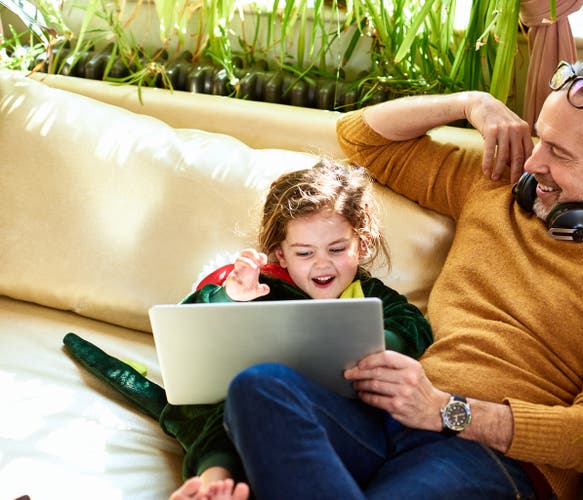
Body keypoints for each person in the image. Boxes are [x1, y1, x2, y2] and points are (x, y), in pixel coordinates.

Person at [219, 60, 583, 499]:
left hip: (485, 452)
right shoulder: (494, 183)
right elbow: (360, 136)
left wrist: (447, 411)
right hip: (384, 415)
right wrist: (469, 103)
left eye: (558, 152)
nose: (534, 164)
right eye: (539, 139)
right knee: (258, 387)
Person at [63, 159, 432, 500]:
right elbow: (190, 330)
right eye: (305, 253)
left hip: (345, 425)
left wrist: (375, 346)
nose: (323, 264)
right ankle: (214, 480)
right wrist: (232, 297)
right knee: (224, 394)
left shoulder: (372, 296)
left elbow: (413, 325)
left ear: (362, 244)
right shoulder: (261, 288)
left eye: (337, 249)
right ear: (281, 254)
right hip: (246, 420)